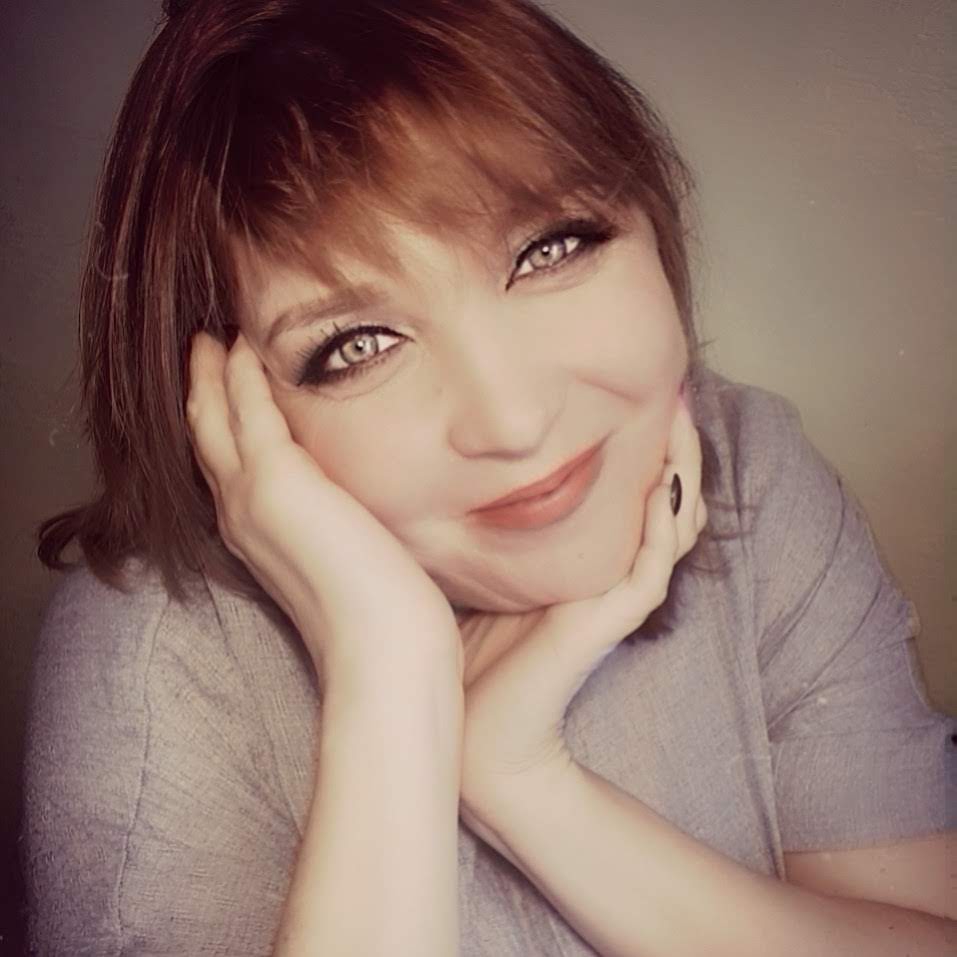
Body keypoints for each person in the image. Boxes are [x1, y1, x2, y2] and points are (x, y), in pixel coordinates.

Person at [23, 0, 956, 954]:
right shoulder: (156, 666)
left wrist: (524, 784)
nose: (514, 422)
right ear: (227, 407)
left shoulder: (748, 464)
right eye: (359, 344)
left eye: (549, 248)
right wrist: (389, 674)